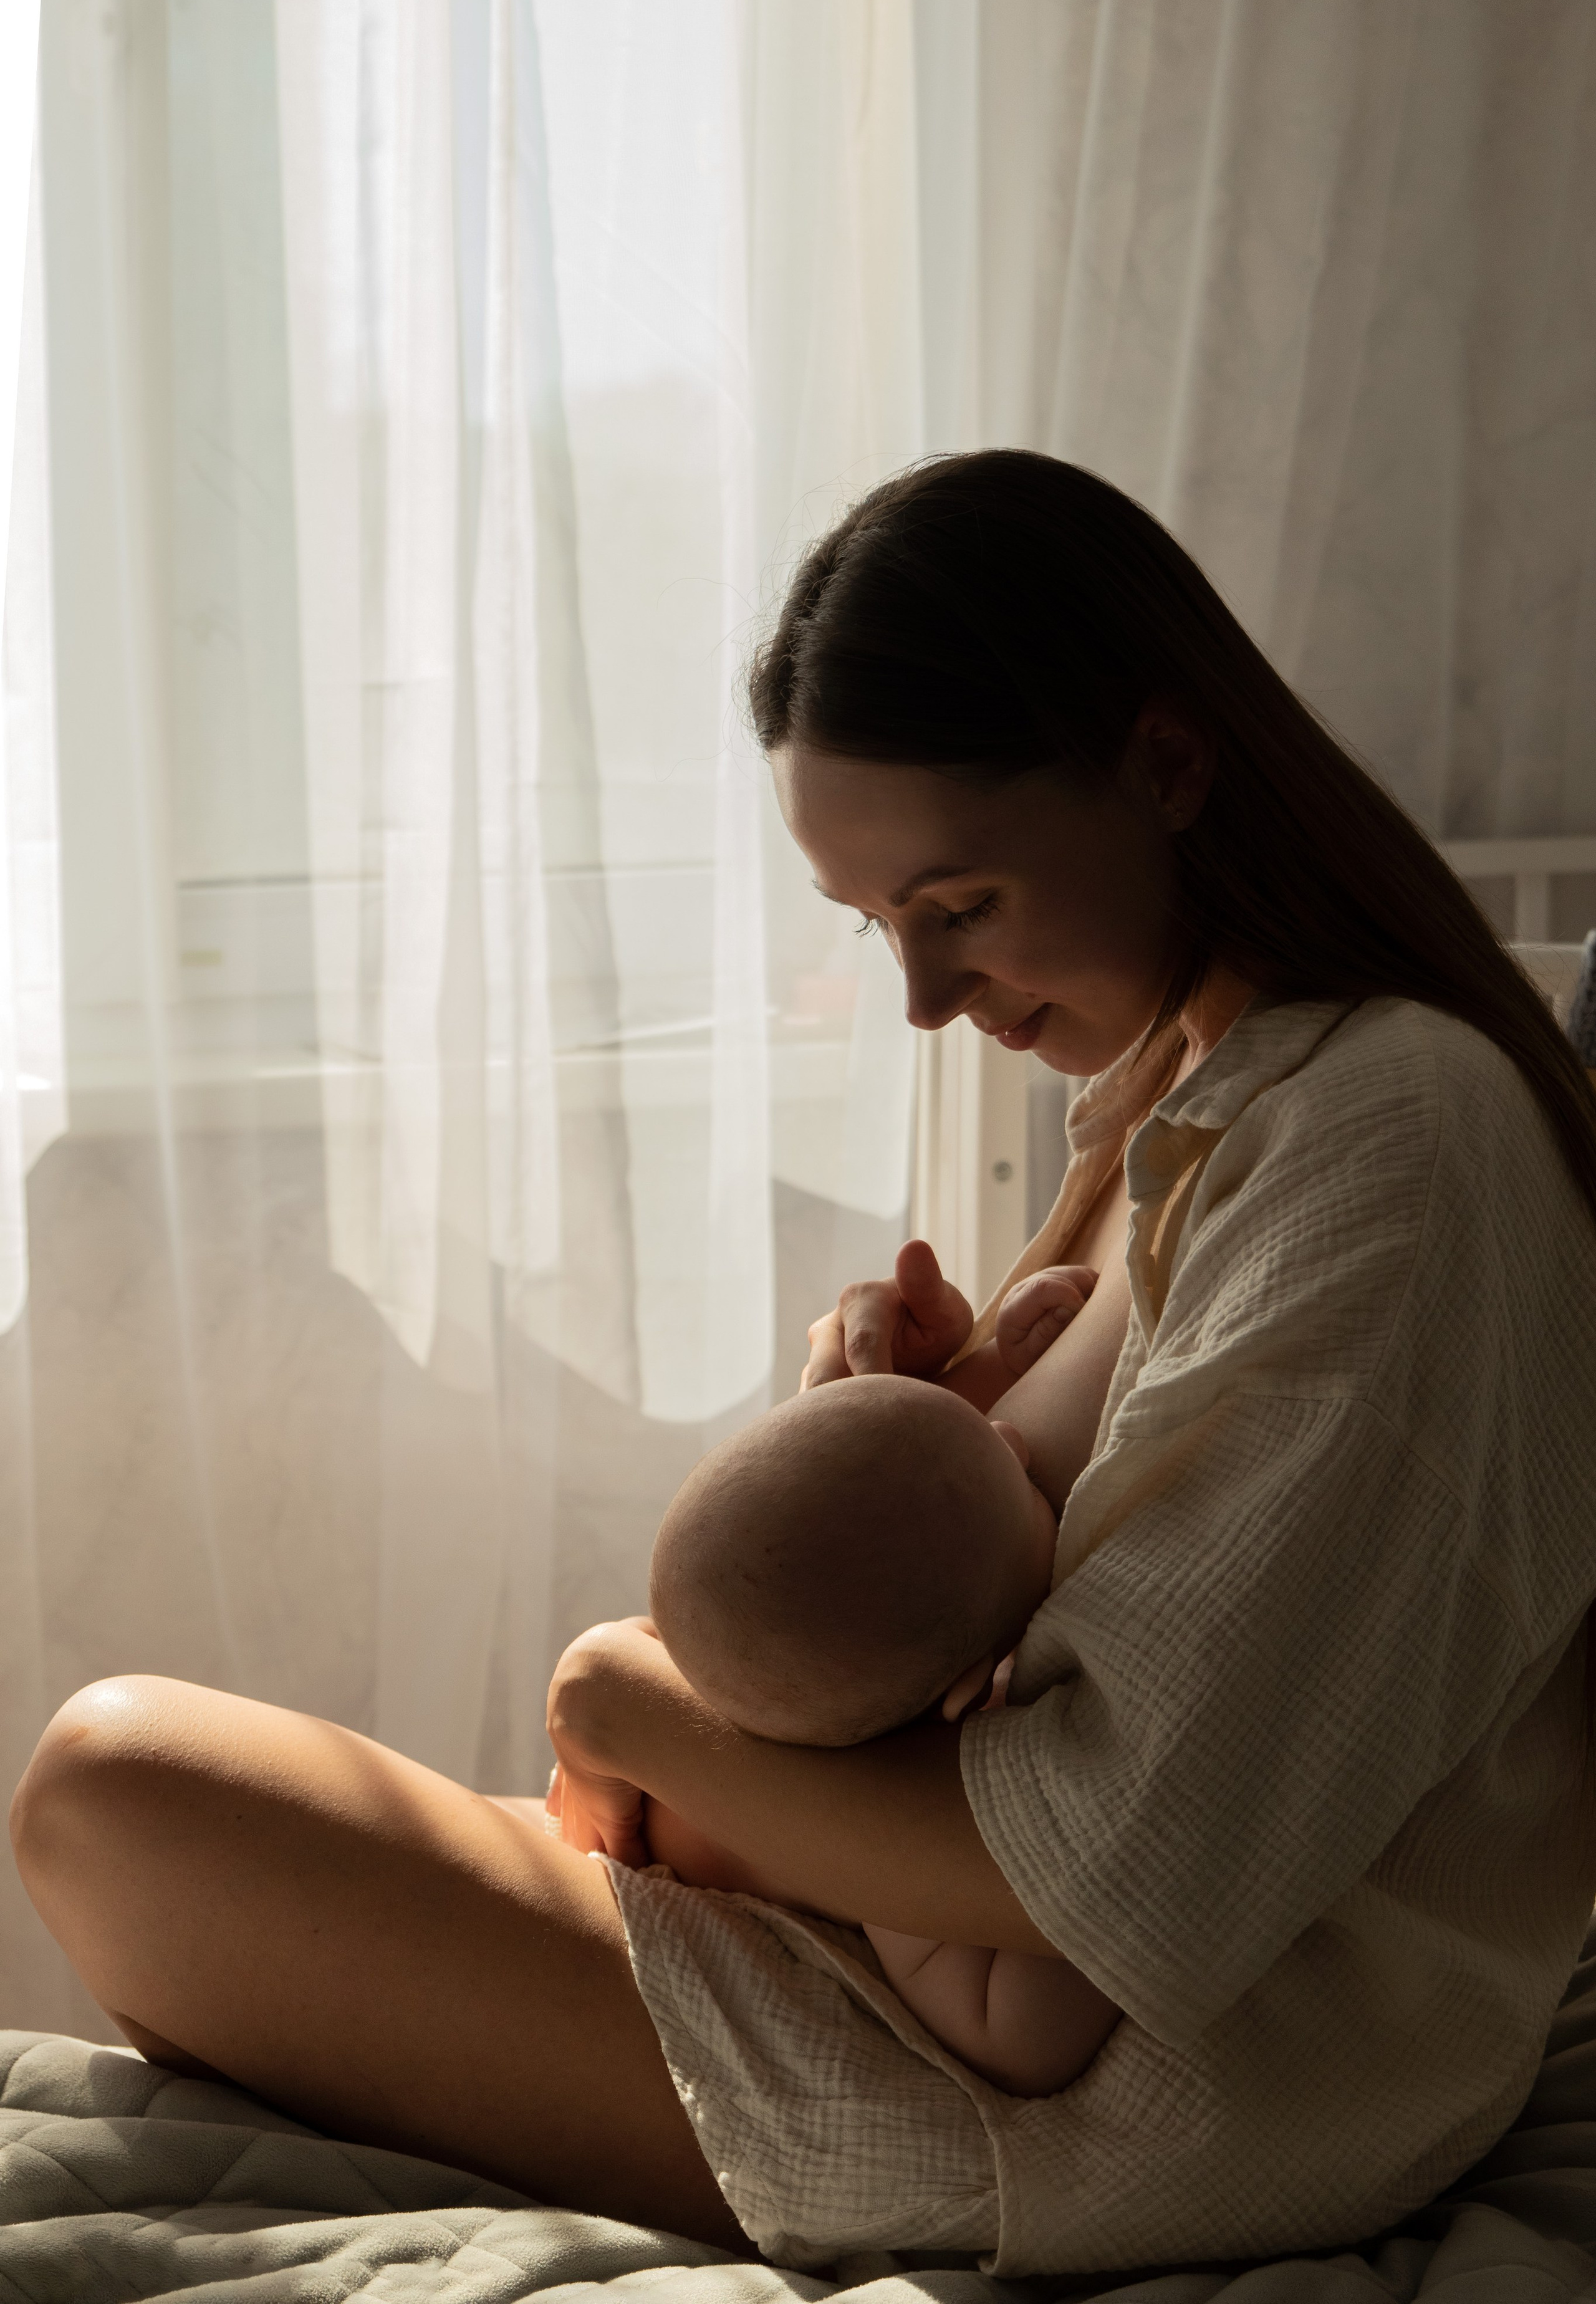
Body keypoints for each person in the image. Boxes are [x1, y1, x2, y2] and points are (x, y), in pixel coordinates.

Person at [11, 451, 1596, 2279]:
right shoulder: (1189, 1096)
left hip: (1096, 2111)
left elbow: (1107, 1869)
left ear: (1166, 763)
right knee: (133, 1798)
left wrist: (619, 1696)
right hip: (929, 1971)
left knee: (116, 1791)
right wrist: (916, 1416)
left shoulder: (1384, 1142)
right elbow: (1043, 1606)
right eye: (876, 928)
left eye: (958, 903)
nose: (923, 998)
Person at [635, 1362, 1119, 2098]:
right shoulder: (884, 1833)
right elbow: (1017, 2041)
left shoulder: (855, 1666)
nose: (1016, 1437)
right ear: (965, 1691)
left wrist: (1011, 1356)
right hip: (664, 1904)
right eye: (1020, 1484)